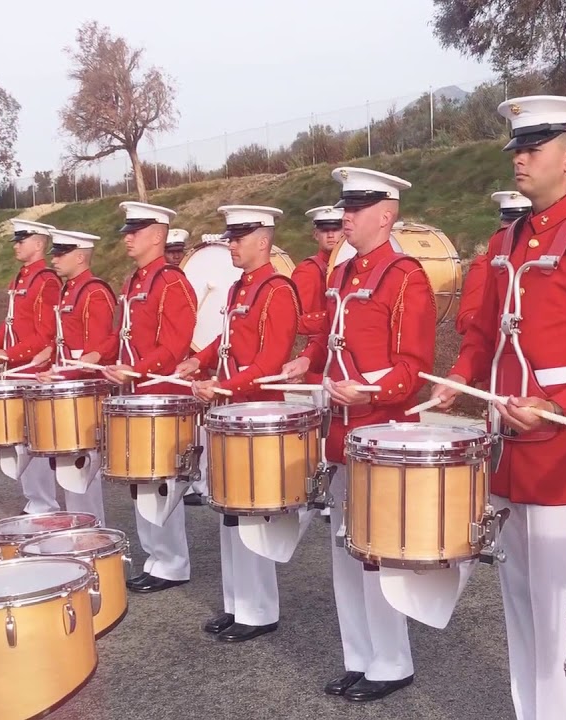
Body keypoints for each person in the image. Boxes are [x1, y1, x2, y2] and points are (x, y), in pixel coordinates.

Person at [429, 95, 566, 720]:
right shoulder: (506, 241)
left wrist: (554, 407)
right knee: (518, 604)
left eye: (533, 148)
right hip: (507, 451)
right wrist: (460, 379)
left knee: (560, 613)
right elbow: (484, 335)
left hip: (562, 453)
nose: (519, 160)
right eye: (517, 149)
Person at [281, 166, 436, 702]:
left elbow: (413, 366)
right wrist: (308, 360)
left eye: (358, 207)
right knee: (345, 551)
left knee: (377, 553)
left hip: (382, 430)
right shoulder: (343, 275)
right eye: (345, 206)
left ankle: (392, 662)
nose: (345, 215)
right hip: (342, 432)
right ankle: (359, 656)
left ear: (386, 214)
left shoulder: (405, 276)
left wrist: (370, 391)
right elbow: (330, 338)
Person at [174, 204, 300, 642]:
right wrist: (198, 360)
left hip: (256, 414)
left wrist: (223, 385)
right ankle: (236, 602)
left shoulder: (277, 290)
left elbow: (271, 359)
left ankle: (260, 609)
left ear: (262, 241)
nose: (231, 243)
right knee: (228, 510)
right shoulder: (237, 289)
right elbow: (223, 340)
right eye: (230, 236)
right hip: (229, 413)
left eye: (238, 237)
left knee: (252, 513)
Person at [103, 201, 198, 594]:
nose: (128, 238)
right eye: (128, 231)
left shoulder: (172, 281)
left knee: (160, 481)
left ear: (157, 236)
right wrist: (101, 356)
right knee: (139, 479)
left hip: (161, 394)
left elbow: (176, 343)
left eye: (135, 231)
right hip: (137, 391)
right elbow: (123, 334)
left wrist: (138, 369)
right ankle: (156, 557)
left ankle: (172, 563)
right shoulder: (134, 282)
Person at [34, 228, 117, 523]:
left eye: (61, 253)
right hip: (68, 386)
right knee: (69, 468)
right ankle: (79, 527)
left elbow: (97, 349)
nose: (54, 259)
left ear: (80, 257)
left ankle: (91, 530)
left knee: (81, 470)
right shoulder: (70, 289)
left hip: (82, 391)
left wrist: (64, 372)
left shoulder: (94, 291)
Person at [0, 218, 62, 514]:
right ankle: (34, 500)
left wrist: (8, 355)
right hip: (16, 367)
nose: (16, 245)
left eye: (21, 240)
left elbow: (46, 334)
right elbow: (10, 320)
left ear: (38, 244)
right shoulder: (21, 278)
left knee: (31, 440)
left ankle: (44, 502)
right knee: (19, 440)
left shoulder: (46, 281)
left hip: (30, 369)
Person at [454, 190, 531, 336]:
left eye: (520, 222)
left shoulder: (539, 263)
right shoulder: (485, 264)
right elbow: (465, 320)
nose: (512, 228)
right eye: (508, 222)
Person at [294, 205, 344, 338]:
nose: (330, 235)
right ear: (316, 235)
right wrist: (335, 317)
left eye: (336, 229)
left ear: (344, 232)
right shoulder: (308, 270)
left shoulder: (351, 264)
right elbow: (295, 320)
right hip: (320, 347)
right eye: (324, 230)